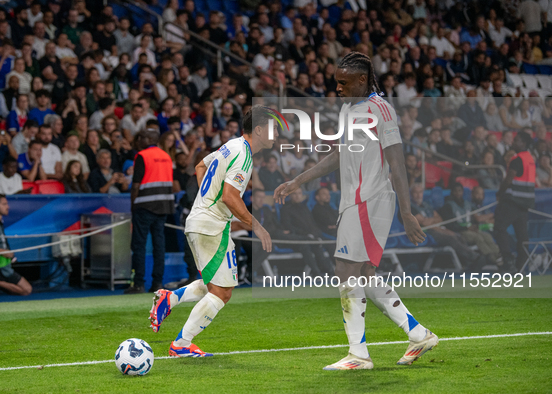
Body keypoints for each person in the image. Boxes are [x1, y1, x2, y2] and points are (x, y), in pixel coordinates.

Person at [274, 52, 435, 370]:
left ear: (363, 80)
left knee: (345, 270)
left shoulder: (380, 109)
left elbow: (397, 161)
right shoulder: (352, 110)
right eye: (336, 82)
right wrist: (299, 180)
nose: (338, 88)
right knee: (362, 273)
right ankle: (418, 334)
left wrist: (407, 211)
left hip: (370, 199)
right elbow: (338, 154)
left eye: (344, 82)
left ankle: (358, 354)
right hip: (355, 201)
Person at [148, 106, 275, 358]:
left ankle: (169, 299)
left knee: (214, 285)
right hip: (212, 226)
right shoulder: (244, 155)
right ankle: (181, 345)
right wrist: (258, 227)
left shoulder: (230, 146)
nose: (276, 136)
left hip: (202, 222)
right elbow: (230, 197)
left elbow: (199, 166)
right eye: (272, 130)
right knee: (222, 292)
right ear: (259, 130)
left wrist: (205, 201)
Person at [125, 131, 175, 294]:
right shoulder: (166, 156)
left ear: (150, 139)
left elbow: (136, 183)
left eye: (142, 137)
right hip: (163, 206)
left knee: (138, 245)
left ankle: (138, 283)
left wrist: (133, 205)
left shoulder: (142, 155)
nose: (139, 140)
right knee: (159, 246)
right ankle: (157, 283)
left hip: (145, 205)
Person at [493, 132, 536, 272]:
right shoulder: (530, 159)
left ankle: (508, 261)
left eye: (516, 140)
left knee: (499, 228)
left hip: (513, 200)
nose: (513, 142)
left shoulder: (517, 159)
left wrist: (500, 193)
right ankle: (522, 264)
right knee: (522, 235)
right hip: (526, 202)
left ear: (524, 143)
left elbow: (508, 179)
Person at [438, 182, 500, 265]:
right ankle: (490, 257)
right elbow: (450, 225)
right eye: (455, 191)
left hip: (471, 229)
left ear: (463, 192)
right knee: (478, 237)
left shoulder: (468, 204)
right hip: (460, 231)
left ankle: (499, 256)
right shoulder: (448, 206)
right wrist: (466, 228)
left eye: (460, 191)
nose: (458, 193)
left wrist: (475, 226)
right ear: (452, 192)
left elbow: (474, 219)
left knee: (487, 236)